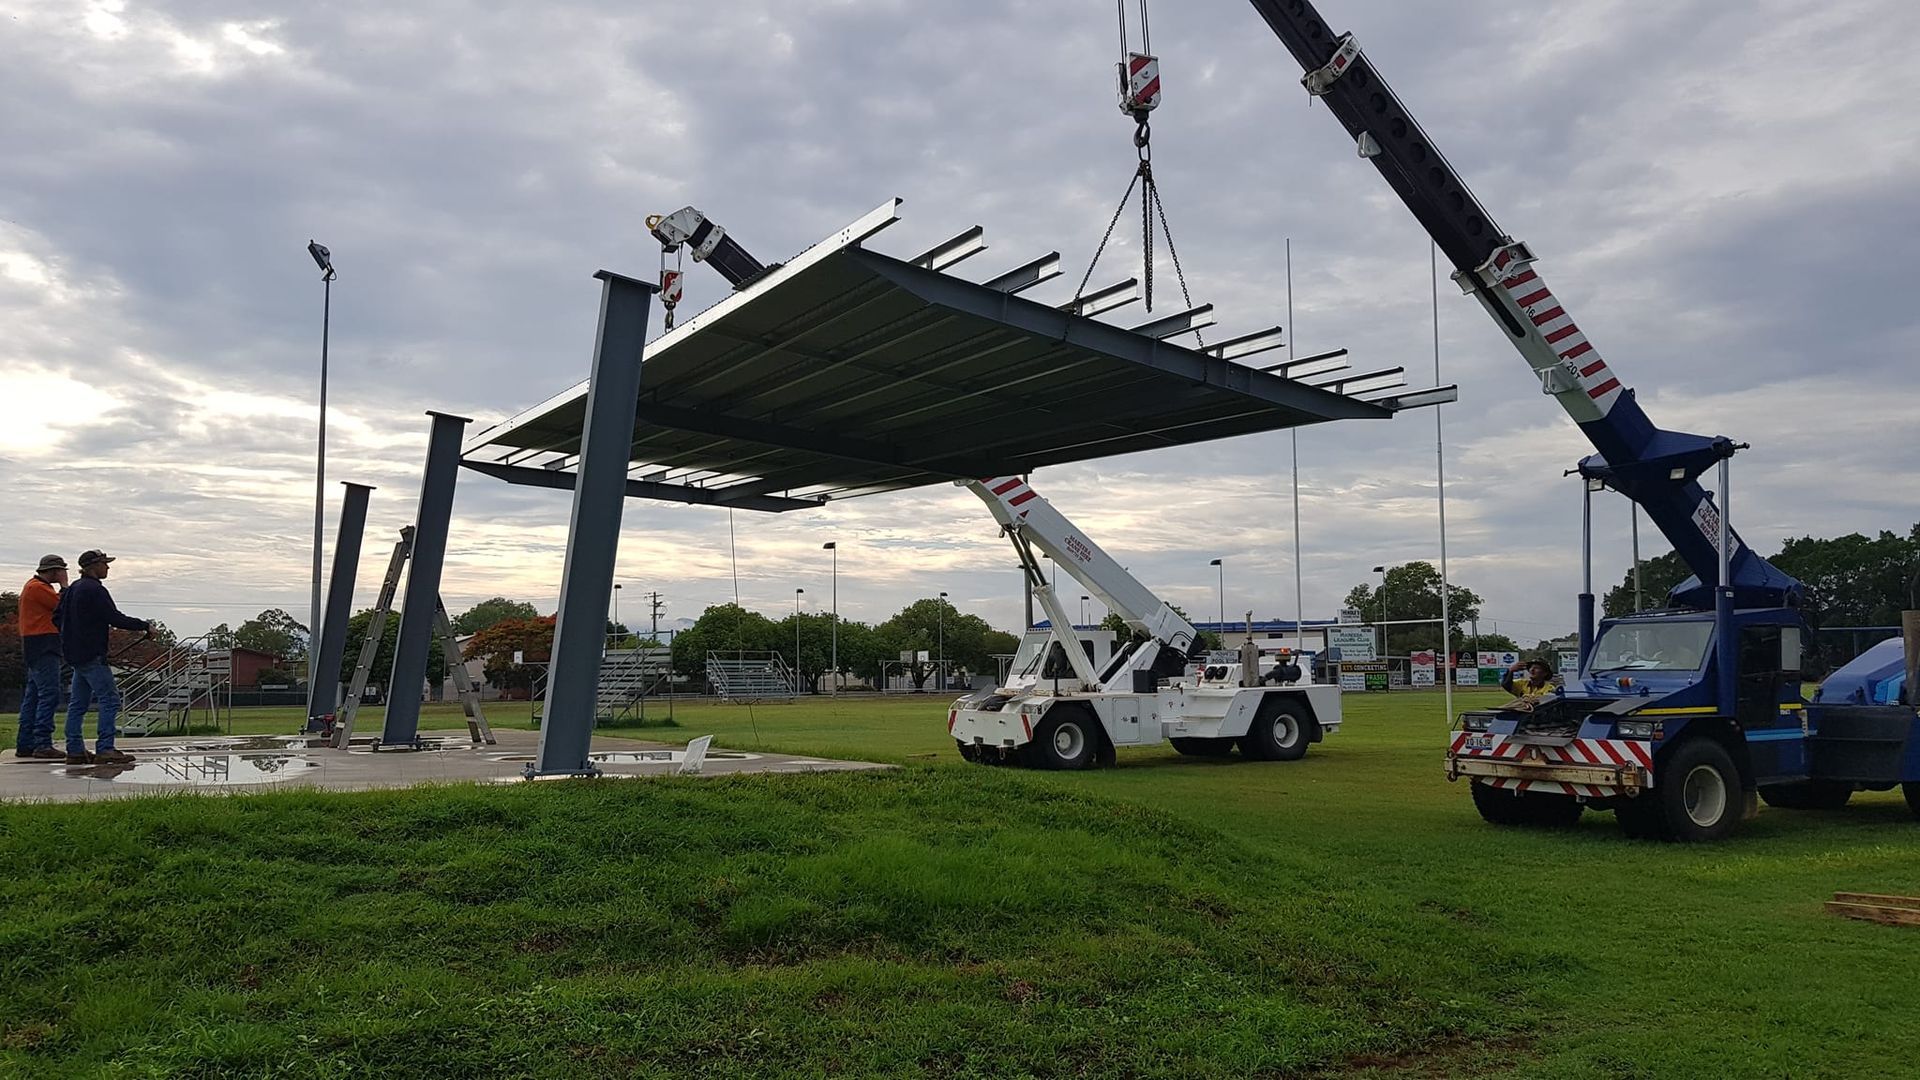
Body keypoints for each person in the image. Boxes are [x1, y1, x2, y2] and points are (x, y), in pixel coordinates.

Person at [60, 549, 150, 765]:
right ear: (94, 566)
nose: (108, 567)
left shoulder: (73, 589)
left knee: (77, 704)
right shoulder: (95, 589)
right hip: (92, 654)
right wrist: (144, 625)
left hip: (75, 654)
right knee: (110, 700)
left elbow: (57, 617)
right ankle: (105, 748)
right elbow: (113, 617)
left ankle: (74, 750)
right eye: (104, 564)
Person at [14, 555, 70, 759]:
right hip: (44, 644)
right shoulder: (40, 589)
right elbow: (64, 606)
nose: (64, 574)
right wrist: (64, 586)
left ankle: (26, 742)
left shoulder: (32, 586)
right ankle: (42, 743)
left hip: (33, 644)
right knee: (49, 694)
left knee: (34, 696)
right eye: (61, 571)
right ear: (54, 571)